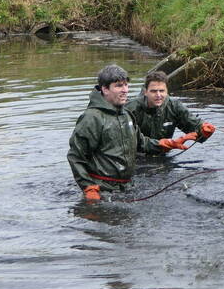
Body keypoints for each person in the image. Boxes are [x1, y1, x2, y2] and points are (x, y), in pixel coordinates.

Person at [67, 64, 191, 202]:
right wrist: (88, 187)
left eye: (126, 85)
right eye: (119, 86)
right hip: (101, 190)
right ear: (105, 89)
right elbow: (75, 156)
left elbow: (141, 142)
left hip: (127, 187)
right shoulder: (91, 118)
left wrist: (167, 143)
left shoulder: (126, 114)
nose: (125, 90)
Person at [125, 70, 216, 148]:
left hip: (164, 154)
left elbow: (193, 126)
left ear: (167, 91)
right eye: (153, 91)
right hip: (137, 157)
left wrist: (203, 130)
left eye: (162, 91)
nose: (158, 95)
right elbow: (127, 142)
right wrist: (166, 144)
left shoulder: (174, 106)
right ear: (145, 92)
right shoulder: (130, 109)